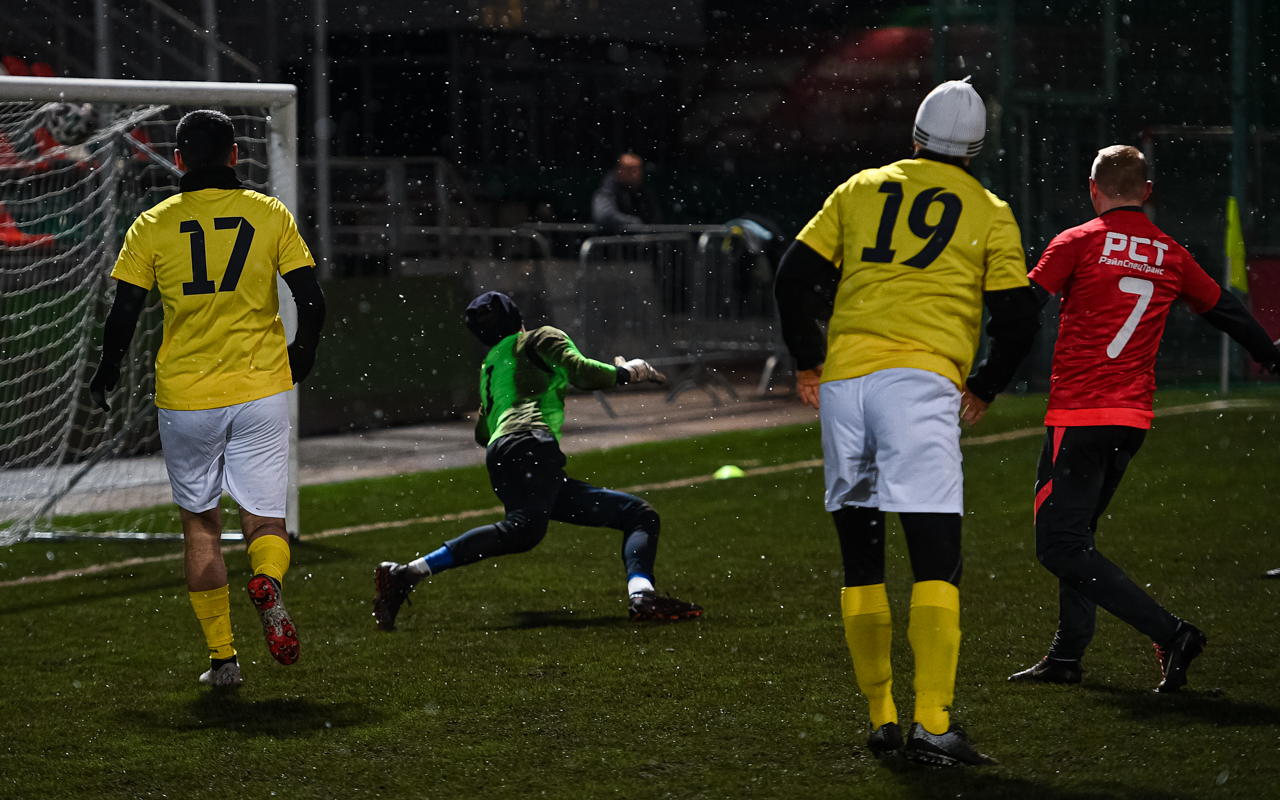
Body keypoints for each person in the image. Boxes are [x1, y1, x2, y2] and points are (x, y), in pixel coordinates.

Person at [773, 78, 1043, 767]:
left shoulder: (861, 187)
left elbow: (792, 279)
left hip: (846, 386)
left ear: (916, 135)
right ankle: (933, 722)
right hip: (918, 385)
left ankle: (882, 717)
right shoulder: (990, 210)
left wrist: (808, 361)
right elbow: (1018, 319)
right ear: (976, 149)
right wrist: (985, 384)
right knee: (935, 560)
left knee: (862, 558)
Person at [1007, 145, 1280, 692]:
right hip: (1130, 420)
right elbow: (1225, 310)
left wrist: (980, 361)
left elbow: (1021, 308)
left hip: (1081, 414)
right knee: (1078, 535)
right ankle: (1067, 654)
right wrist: (1269, 353)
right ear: (1147, 192)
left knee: (1058, 544)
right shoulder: (1169, 253)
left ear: (1093, 189)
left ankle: (1172, 633)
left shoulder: (1078, 241)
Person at [88, 109, 326, 689]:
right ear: (235, 155)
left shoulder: (152, 224)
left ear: (178, 160)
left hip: (187, 394)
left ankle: (223, 659)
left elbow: (125, 312)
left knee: (201, 526)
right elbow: (311, 299)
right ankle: (267, 581)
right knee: (265, 519)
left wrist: (107, 370)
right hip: (260, 387)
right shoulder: (268, 213)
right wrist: (301, 353)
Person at [372, 291, 702, 630]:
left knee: (637, 514)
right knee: (523, 530)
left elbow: (483, 432)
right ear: (517, 316)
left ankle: (642, 594)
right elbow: (583, 373)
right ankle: (407, 573)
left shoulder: (490, 365)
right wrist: (628, 372)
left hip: (503, 454)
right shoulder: (541, 337)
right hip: (531, 446)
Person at [591, 153, 663, 233]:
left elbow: (655, 218)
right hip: (612, 239)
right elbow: (603, 216)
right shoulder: (608, 189)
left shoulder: (644, 190)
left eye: (638, 168)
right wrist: (632, 222)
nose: (635, 173)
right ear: (619, 170)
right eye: (630, 169)